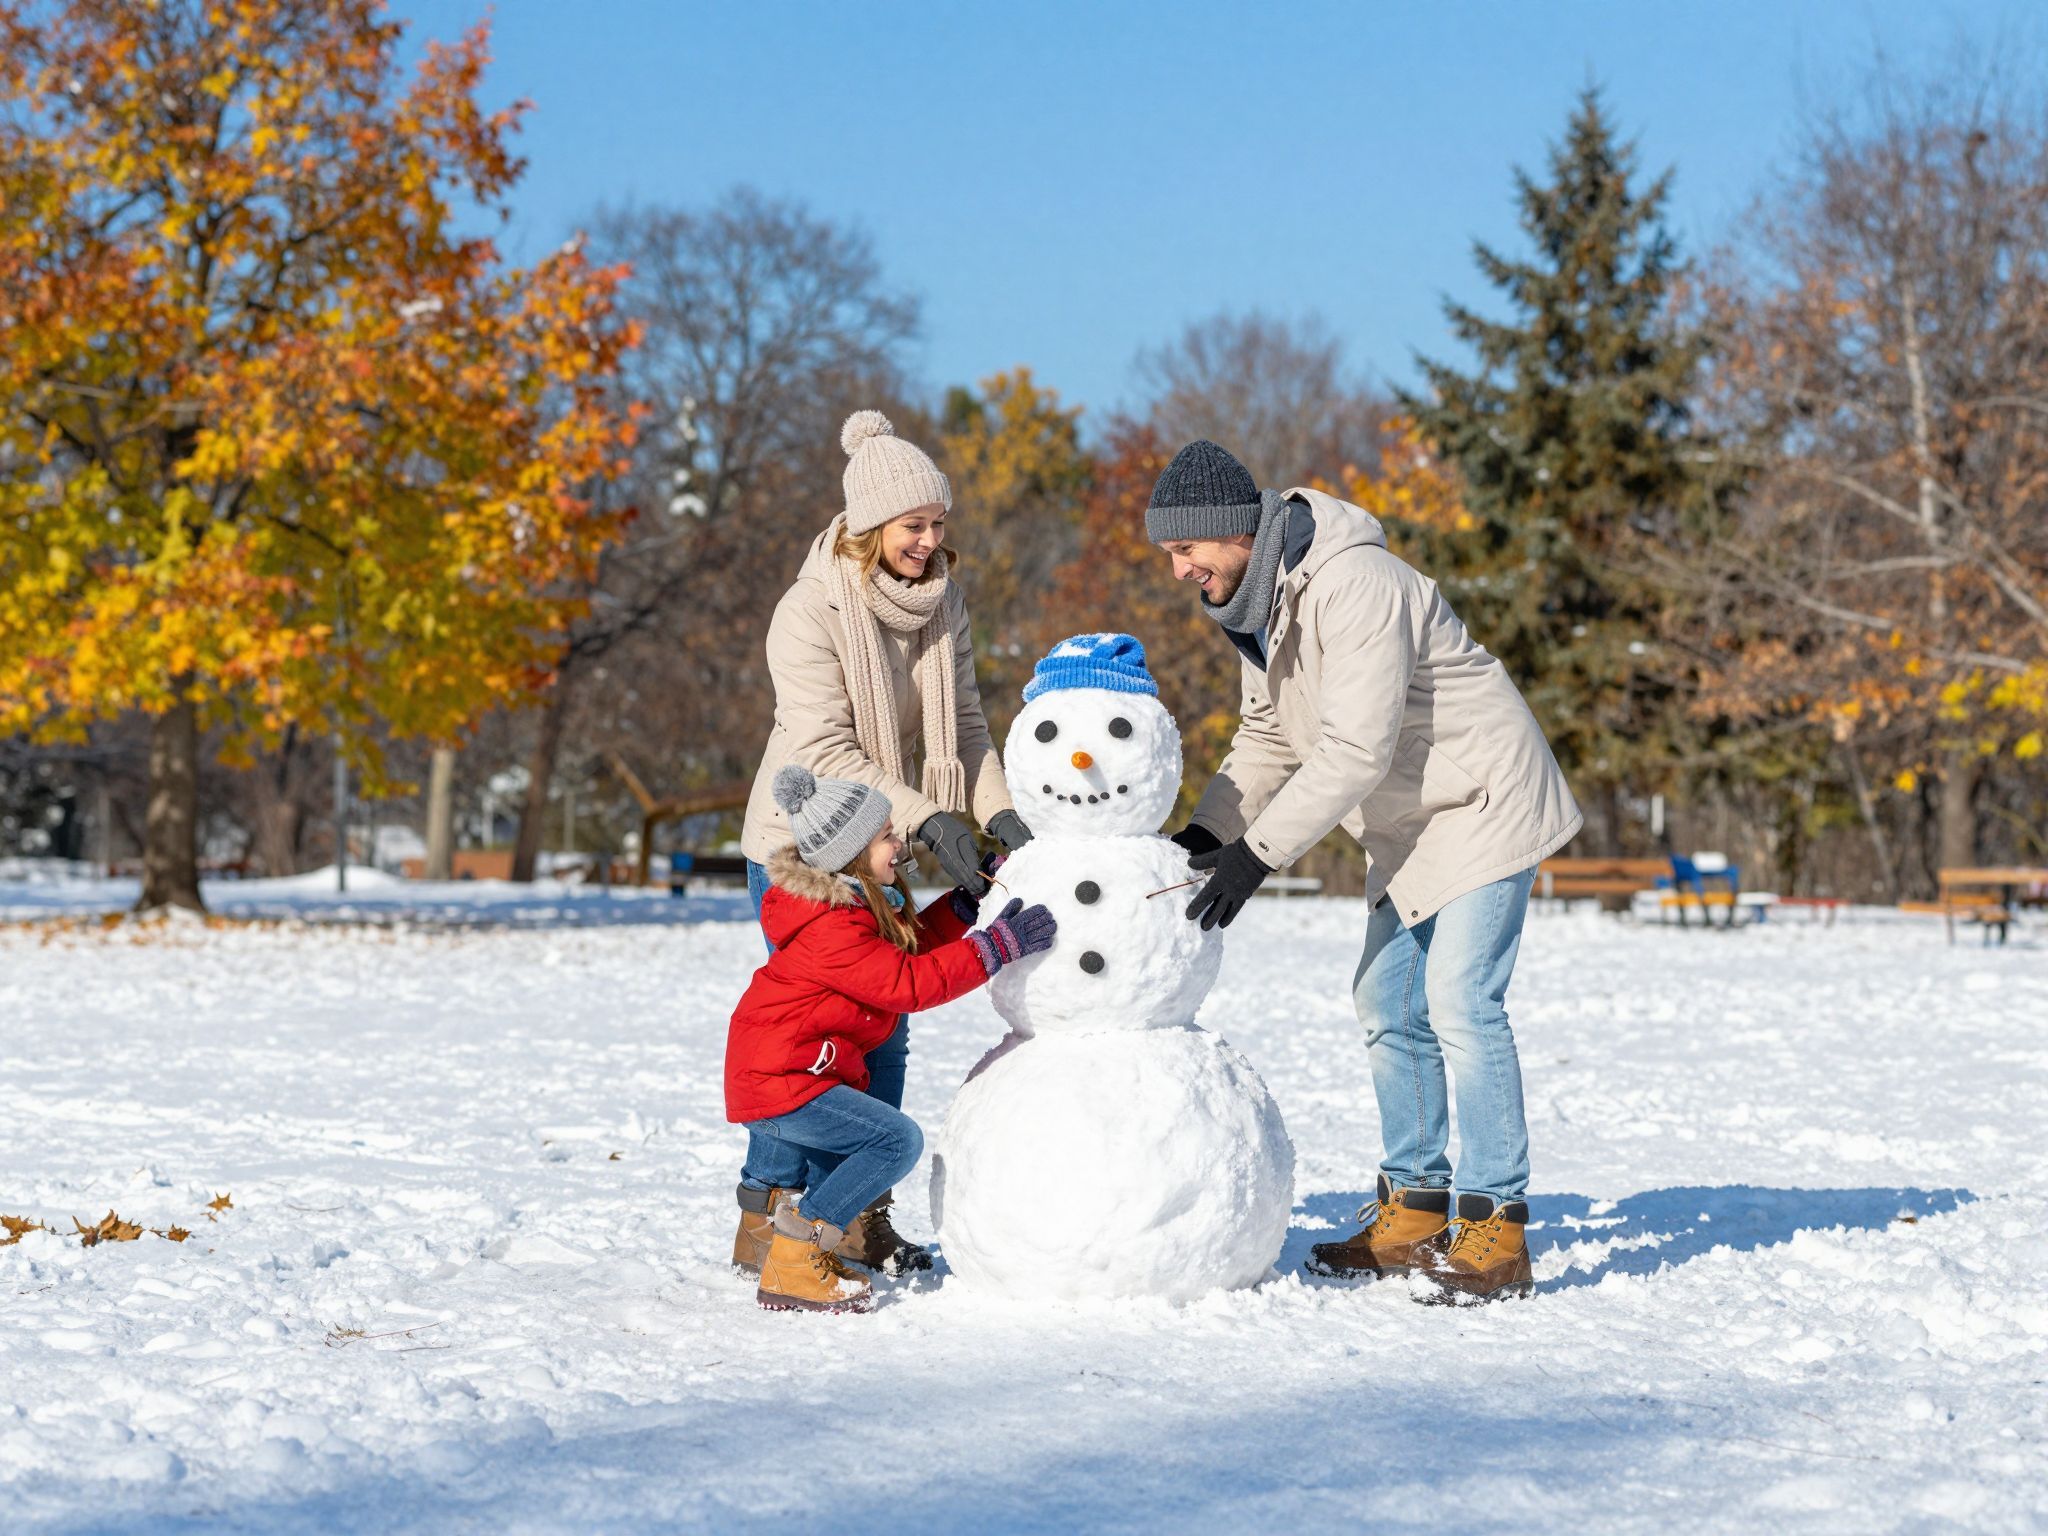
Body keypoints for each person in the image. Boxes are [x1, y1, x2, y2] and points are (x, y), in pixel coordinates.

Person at [1146, 440, 1581, 1303]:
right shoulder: (1260, 603)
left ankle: (1496, 1226)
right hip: (1412, 820)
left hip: (1481, 799)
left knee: (1461, 1001)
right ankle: (1416, 1209)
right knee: (1387, 1002)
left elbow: (1354, 747)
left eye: (1185, 550)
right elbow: (1270, 735)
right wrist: (1207, 833)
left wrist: (1257, 856)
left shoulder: (1354, 585)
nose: (1178, 571)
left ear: (1233, 533)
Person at [733, 409, 1032, 1276]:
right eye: (914, 526)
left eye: (940, 524)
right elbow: (823, 749)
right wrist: (930, 818)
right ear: (870, 529)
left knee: (881, 1025)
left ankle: (854, 1210)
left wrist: (999, 815)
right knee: (820, 1027)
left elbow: (967, 724)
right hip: (808, 844)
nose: (930, 541)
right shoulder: (807, 611)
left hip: (886, 843)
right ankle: (774, 1208)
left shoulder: (943, 601)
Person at [728, 765, 1055, 1313]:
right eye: (886, 836)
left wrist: (963, 908)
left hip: (796, 1073)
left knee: (862, 1148)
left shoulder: (854, 903)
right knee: (893, 1141)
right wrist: (993, 948)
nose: (900, 845)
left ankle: (806, 1242)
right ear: (851, 854)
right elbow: (907, 983)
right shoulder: (831, 926)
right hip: (780, 1080)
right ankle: (794, 1255)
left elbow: (906, 950)